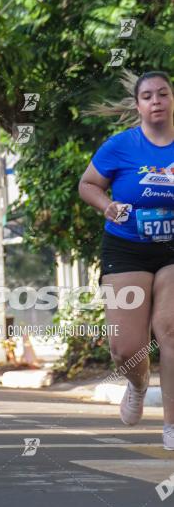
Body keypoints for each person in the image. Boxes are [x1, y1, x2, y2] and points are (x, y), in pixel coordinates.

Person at [78, 71, 174, 450]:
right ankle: (137, 383)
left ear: (171, 100)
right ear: (137, 106)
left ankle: (171, 425)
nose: (156, 101)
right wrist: (108, 205)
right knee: (125, 348)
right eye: (147, 96)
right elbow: (88, 185)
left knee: (170, 330)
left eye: (163, 94)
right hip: (127, 247)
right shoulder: (120, 146)